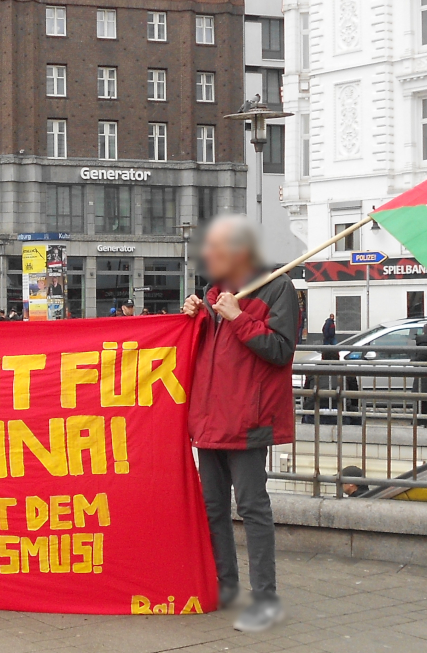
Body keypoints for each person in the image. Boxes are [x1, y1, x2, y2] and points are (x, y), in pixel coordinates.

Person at [182, 214, 298, 632]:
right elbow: (203, 354)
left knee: (252, 508)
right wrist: (192, 319)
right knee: (214, 508)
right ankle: (225, 587)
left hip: (248, 420)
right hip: (210, 420)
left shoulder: (279, 288)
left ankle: (265, 599)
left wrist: (236, 317)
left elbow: (280, 351)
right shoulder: (215, 294)